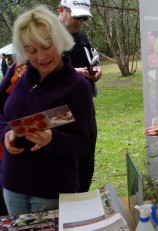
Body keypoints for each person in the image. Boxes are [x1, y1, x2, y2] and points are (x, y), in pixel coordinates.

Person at [0, 5, 93, 215]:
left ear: (60, 41)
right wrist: (5, 132)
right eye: (31, 50)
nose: (40, 56)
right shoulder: (18, 71)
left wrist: (52, 138)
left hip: (51, 191)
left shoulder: (77, 87)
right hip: (12, 184)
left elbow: (81, 142)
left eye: (46, 46)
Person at [58, 0, 102, 192]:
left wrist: (97, 68)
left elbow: (92, 58)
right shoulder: (47, 36)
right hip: (62, 110)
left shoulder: (82, 36)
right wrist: (72, 72)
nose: (80, 22)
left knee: (86, 158)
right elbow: (36, 72)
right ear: (61, 10)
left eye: (84, 18)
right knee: (67, 159)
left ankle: (82, 197)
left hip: (86, 107)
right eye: (77, 16)